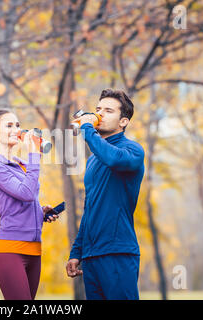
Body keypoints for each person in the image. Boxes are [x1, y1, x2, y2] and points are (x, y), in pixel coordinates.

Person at [65, 89, 145, 300]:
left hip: (118, 252)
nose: (100, 114)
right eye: (98, 109)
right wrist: (76, 252)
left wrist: (88, 129)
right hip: (91, 257)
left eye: (108, 111)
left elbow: (114, 159)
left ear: (123, 122)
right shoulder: (92, 161)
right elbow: (90, 208)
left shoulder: (133, 150)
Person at [0, 109, 59, 300]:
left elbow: (23, 200)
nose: (16, 129)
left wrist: (40, 212)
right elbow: (26, 193)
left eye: (17, 125)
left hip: (34, 250)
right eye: (8, 125)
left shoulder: (20, 164)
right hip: (11, 251)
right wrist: (34, 156)